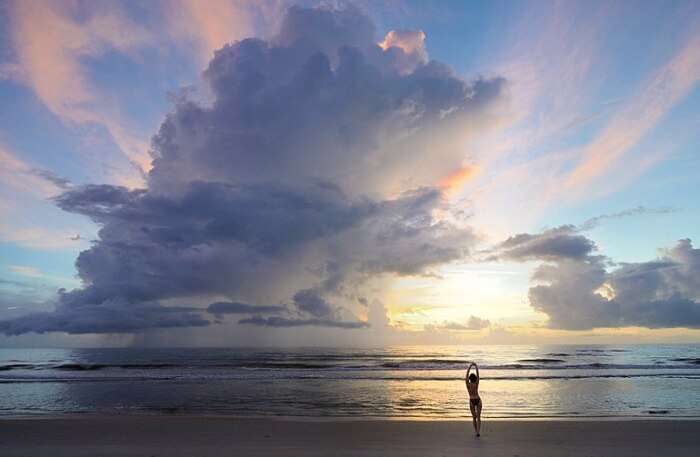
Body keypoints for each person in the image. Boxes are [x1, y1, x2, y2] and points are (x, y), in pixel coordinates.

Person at [466, 362, 482, 436]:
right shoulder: (476, 383)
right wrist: (476, 367)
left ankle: (476, 431)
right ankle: (478, 432)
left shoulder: (468, 384)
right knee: (478, 417)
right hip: (478, 400)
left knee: (474, 417)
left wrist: (469, 367)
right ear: (475, 378)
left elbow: (466, 377)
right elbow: (479, 376)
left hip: (472, 400)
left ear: (469, 378)